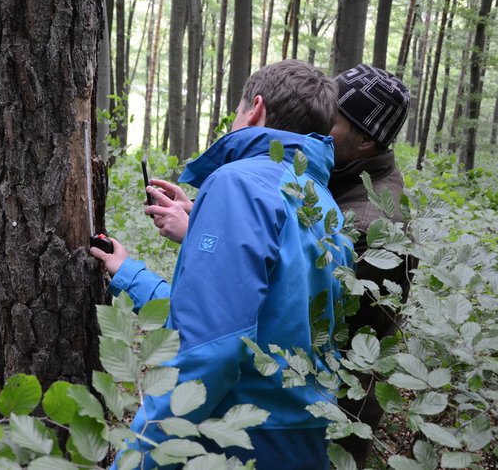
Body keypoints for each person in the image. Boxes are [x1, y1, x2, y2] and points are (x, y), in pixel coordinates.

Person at [90, 59, 354, 469]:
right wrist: (131, 274)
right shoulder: (323, 203)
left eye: (237, 110)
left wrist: (140, 453)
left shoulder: (239, 184)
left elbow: (209, 348)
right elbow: (267, 317)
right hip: (307, 436)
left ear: (256, 109)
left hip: (241, 441)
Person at [328, 64, 414, 469]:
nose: (318, 120)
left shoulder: (369, 222)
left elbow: (321, 317)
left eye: (332, 116)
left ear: (365, 140)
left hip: (336, 408)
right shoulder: (346, 177)